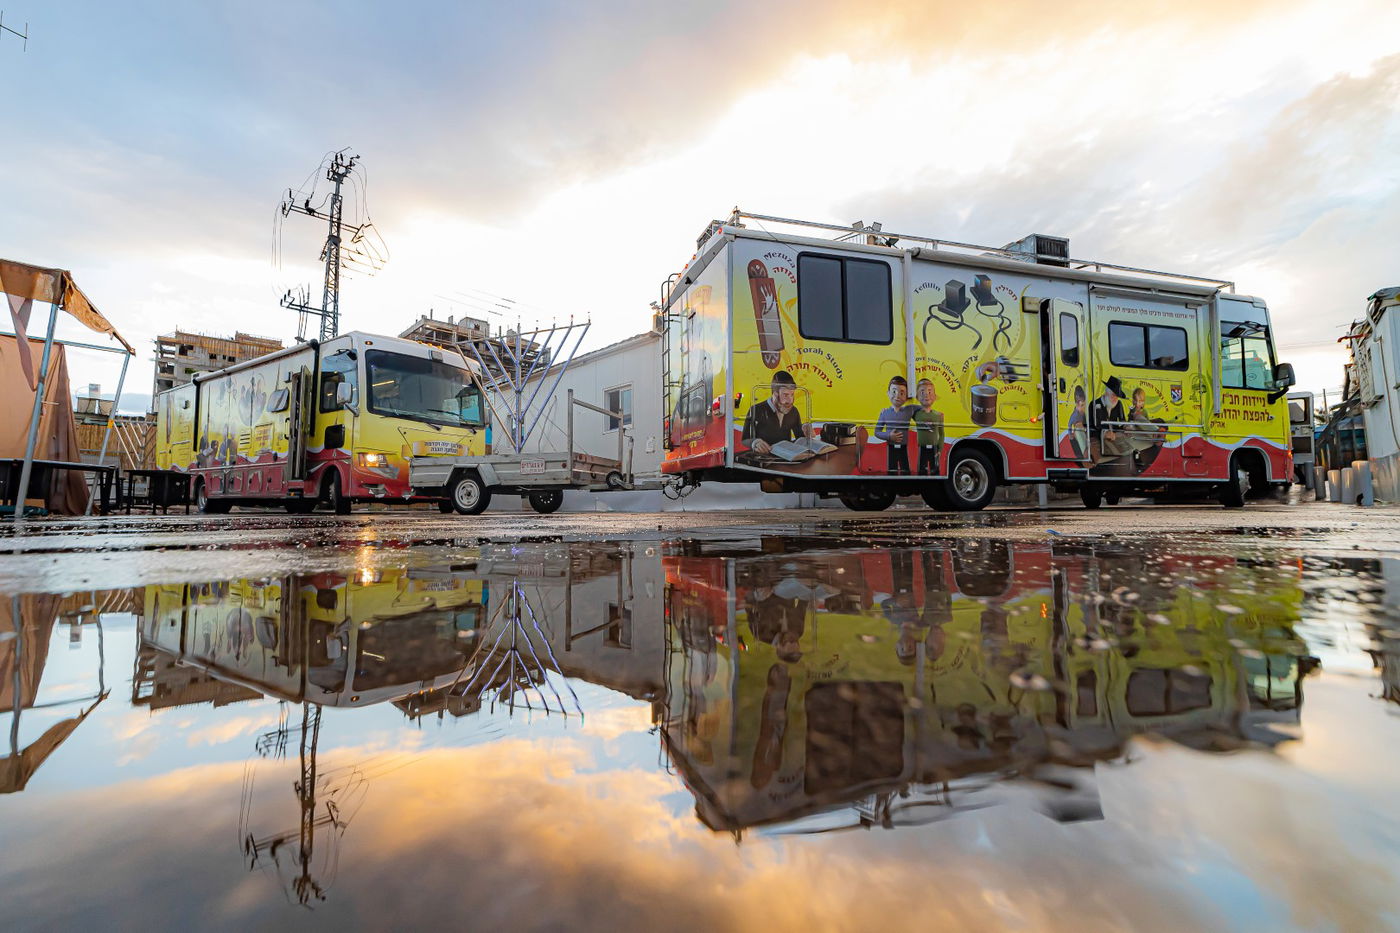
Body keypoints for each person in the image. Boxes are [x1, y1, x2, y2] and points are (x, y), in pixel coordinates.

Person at [741, 370, 805, 457]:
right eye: (785, 395)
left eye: (792, 394)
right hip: (763, 460)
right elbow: (745, 439)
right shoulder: (756, 409)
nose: (790, 401)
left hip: (786, 460)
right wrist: (755, 442)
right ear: (775, 393)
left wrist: (806, 430)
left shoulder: (794, 411)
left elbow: (800, 438)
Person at [875, 375, 919, 474]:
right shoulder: (885, 413)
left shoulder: (910, 409)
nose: (897, 396)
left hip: (904, 447)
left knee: (905, 470)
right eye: (894, 391)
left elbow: (924, 410)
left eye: (902, 393)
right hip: (891, 448)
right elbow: (877, 432)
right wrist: (888, 436)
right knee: (891, 470)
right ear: (888, 393)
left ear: (907, 396)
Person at [1090, 375, 1133, 460]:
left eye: (1117, 396)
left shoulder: (1119, 404)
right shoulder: (1094, 404)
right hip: (1100, 442)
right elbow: (1091, 427)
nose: (1115, 399)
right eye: (1113, 395)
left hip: (1116, 441)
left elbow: (1122, 421)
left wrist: (1126, 427)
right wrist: (1105, 433)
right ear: (1106, 393)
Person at [912, 378, 945, 475]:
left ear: (935, 396)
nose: (926, 394)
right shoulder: (916, 414)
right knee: (921, 471)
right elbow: (905, 411)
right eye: (922, 392)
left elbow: (942, 434)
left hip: (934, 449)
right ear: (917, 397)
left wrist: (940, 449)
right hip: (922, 448)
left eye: (930, 392)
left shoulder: (938, 415)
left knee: (935, 471)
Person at [1066, 384, 1088, 460]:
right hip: (1078, 446)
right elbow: (1072, 435)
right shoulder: (1075, 417)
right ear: (1077, 403)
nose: (1083, 408)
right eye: (1081, 405)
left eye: (1084, 405)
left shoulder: (1082, 413)